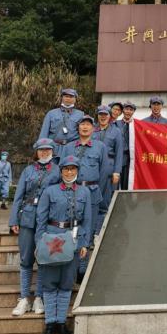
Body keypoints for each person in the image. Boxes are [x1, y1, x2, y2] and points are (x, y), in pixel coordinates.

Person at [36, 155, 91, 334]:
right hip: (51, 239)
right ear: (61, 172)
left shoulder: (84, 193)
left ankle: (61, 323)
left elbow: (88, 221)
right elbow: (41, 219)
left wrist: (84, 244)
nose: (69, 172)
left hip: (73, 241)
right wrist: (39, 243)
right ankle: (50, 323)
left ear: (77, 171)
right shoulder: (49, 191)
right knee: (50, 283)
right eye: (66, 169)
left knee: (67, 282)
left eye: (73, 169)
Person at [9, 138, 60, 316]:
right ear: (36, 152)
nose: (44, 153)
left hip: (48, 220)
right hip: (28, 218)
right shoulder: (28, 170)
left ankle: (39, 297)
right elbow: (18, 196)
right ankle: (24, 298)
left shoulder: (58, 170)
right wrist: (14, 220)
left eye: (47, 150)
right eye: (41, 150)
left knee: (44, 258)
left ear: (53, 151)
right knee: (26, 259)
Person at [60, 115, 109, 278]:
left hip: (91, 192)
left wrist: (95, 189)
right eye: (82, 124)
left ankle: (82, 269)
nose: (85, 127)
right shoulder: (68, 147)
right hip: (70, 191)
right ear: (78, 128)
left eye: (88, 124)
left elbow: (104, 172)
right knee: (69, 227)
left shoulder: (100, 147)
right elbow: (61, 168)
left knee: (87, 228)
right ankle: (69, 266)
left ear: (93, 128)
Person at [93, 105, 123, 223]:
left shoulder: (116, 132)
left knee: (105, 198)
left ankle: (101, 227)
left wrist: (117, 171)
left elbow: (119, 152)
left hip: (109, 167)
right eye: (101, 114)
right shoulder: (92, 130)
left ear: (110, 116)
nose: (103, 117)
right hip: (93, 166)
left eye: (105, 114)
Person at [39, 88, 84, 161]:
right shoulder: (51, 113)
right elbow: (43, 134)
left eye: (71, 97)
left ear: (75, 99)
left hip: (72, 148)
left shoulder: (80, 115)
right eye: (66, 96)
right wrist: (42, 149)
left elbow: (85, 133)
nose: (68, 99)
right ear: (62, 98)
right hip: (54, 148)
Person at [116, 101, 136, 190]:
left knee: (126, 182)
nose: (128, 111)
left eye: (131, 110)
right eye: (126, 109)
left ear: (133, 112)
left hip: (130, 157)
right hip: (118, 155)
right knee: (115, 180)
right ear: (123, 111)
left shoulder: (136, 125)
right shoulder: (116, 124)